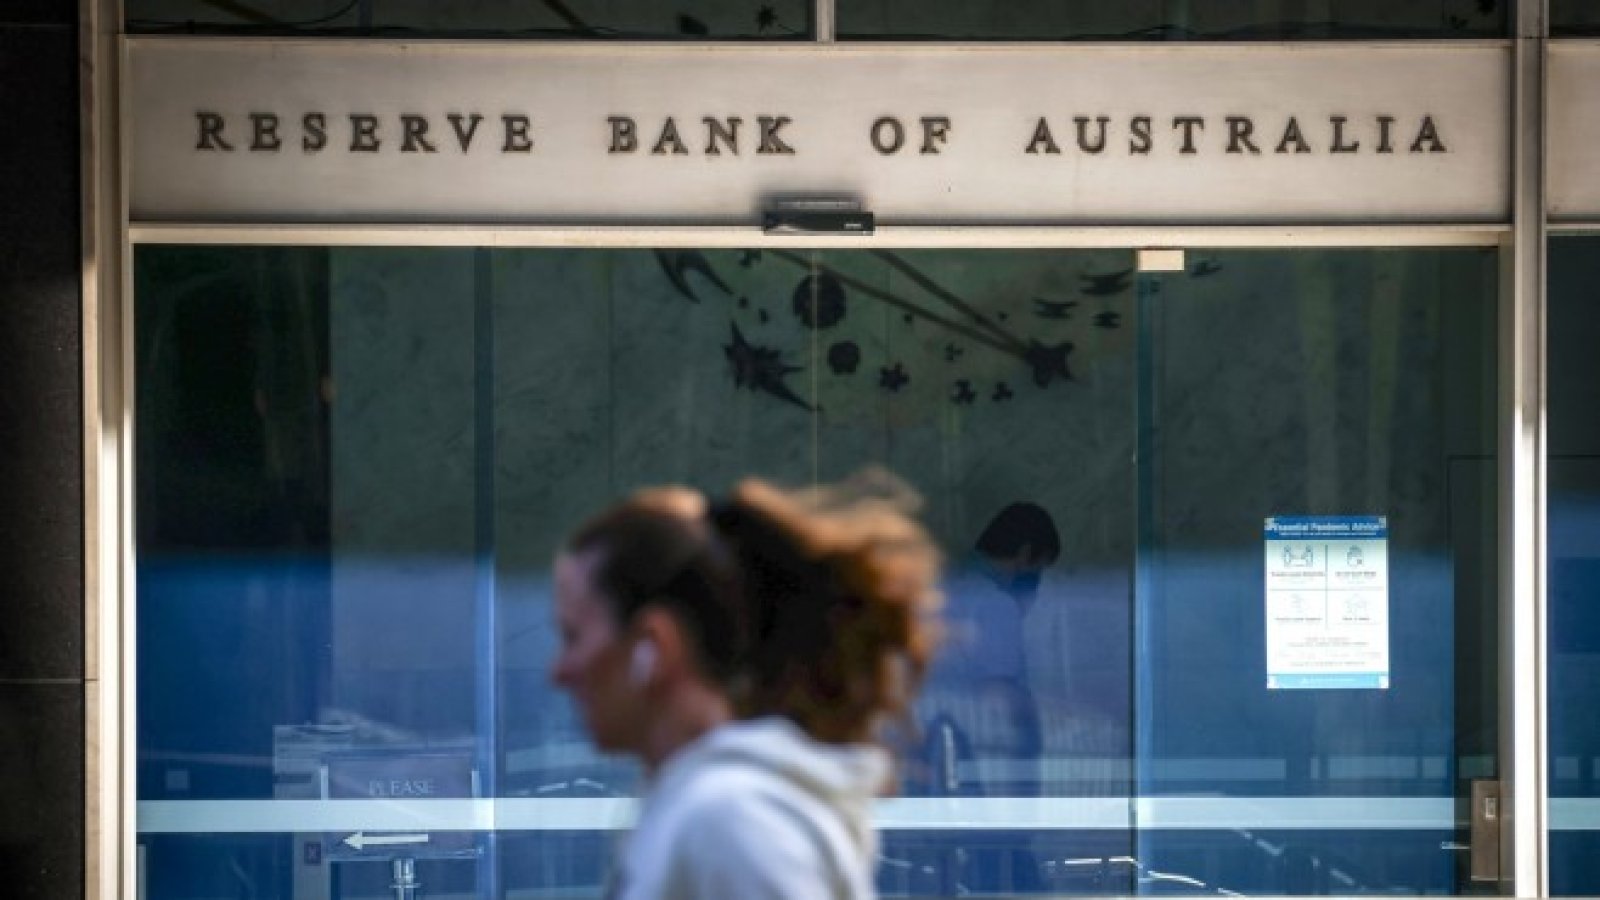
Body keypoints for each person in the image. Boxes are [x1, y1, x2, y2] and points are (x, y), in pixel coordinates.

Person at [550, 473, 942, 899]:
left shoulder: (729, 819)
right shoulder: (704, 808)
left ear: (654, 646)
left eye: (574, 637)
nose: (560, 671)